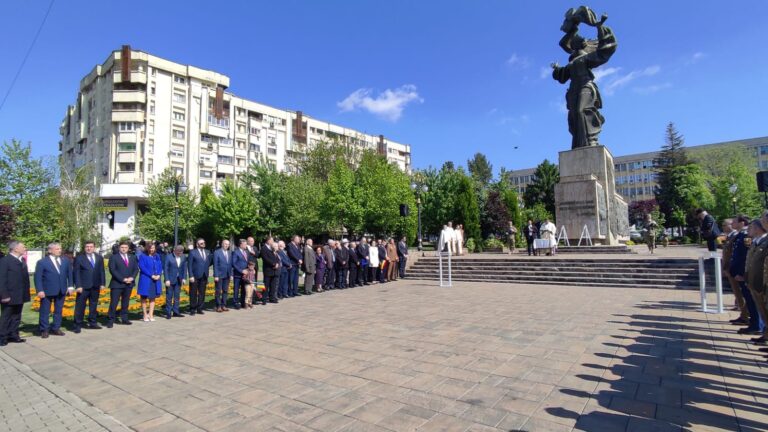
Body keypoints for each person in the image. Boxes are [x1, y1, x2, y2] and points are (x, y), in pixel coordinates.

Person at [731, 216, 762, 336]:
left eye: (734, 221)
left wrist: (742, 273)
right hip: (742, 272)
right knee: (749, 299)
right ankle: (754, 324)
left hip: (746, 274)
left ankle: (757, 325)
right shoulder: (742, 236)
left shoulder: (746, 237)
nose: (750, 230)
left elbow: (745, 257)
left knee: (752, 300)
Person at [35, 243, 74, 338]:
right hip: (47, 291)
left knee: (58, 310)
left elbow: (69, 274)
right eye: (57, 249)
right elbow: (38, 278)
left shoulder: (65, 260)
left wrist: (70, 286)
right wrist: (40, 290)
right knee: (45, 311)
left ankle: (56, 328)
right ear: (50, 251)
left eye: (60, 248)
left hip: (61, 290)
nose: (59, 250)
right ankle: (44, 329)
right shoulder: (42, 262)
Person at [0, 241, 30, 346]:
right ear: (15, 249)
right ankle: (2, 337)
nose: (25, 248)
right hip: (9, 295)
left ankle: (13, 335)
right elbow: (1, 279)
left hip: (20, 294)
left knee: (17, 316)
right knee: (6, 317)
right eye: (23, 246)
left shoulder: (21, 261)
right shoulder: (5, 261)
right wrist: (4, 295)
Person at [72, 240, 106, 333]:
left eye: (91, 246)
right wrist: (78, 285)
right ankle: (77, 325)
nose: (89, 248)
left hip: (95, 286)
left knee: (93, 305)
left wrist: (102, 283)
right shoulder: (79, 258)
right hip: (83, 287)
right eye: (87, 246)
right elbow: (76, 273)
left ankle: (93, 323)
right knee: (80, 306)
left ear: (94, 247)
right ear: (84, 248)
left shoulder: (99, 258)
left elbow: (101, 271)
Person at [722, 219, 749, 325]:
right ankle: (744, 314)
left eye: (725, 224)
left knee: (743, 294)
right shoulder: (733, 236)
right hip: (731, 267)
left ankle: (746, 315)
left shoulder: (742, 235)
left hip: (737, 269)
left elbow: (745, 253)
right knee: (738, 294)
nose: (723, 227)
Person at [107, 241, 138, 327]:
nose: (124, 249)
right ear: (119, 248)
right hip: (117, 284)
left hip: (129, 284)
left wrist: (132, 278)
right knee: (114, 302)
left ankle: (124, 318)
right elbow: (112, 270)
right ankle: (111, 320)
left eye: (125, 248)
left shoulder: (132, 257)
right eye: (122, 247)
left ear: (128, 249)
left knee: (125, 302)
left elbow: (136, 269)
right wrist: (123, 279)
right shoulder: (114, 257)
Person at [137, 242, 163, 322]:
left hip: (155, 279)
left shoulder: (157, 256)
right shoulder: (142, 256)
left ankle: (151, 314)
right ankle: (145, 314)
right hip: (146, 279)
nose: (152, 249)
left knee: (153, 297)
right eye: (150, 248)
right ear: (147, 248)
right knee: (144, 297)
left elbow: (160, 265)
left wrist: (158, 274)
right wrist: (151, 275)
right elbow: (142, 267)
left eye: (153, 248)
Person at [187, 238, 212, 315]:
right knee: (193, 293)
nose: (203, 244)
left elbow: (209, 262)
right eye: (201, 243)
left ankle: (200, 308)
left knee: (202, 293)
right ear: (197, 244)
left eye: (204, 243)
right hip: (195, 276)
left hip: (204, 275)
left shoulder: (207, 252)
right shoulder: (192, 252)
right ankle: (192, 309)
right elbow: (189, 265)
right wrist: (191, 275)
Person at [163, 245, 187, 319]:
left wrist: (184, 278)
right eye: (179, 252)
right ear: (175, 251)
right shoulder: (169, 257)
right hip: (170, 279)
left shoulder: (183, 257)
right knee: (169, 297)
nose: (180, 254)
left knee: (177, 296)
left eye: (181, 252)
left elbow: (184, 268)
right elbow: (166, 269)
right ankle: (168, 312)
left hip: (179, 279)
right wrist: (167, 279)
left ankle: (176, 312)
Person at [213, 239, 232, 312]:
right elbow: (215, 265)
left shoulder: (229, 253)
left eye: (228, 244)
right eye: (225, 244)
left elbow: (230, 265)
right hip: (219, 275)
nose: (226, 245)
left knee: (225, 290)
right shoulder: (217, 252)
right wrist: (216, 275)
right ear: (222, 244)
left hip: (227, 275)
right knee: (218, 291)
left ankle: (224, 305)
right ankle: (218, 306)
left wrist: (231, 274)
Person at [261, 237, 280, 304]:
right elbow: (266, 259)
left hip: (274, 270)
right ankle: (264, 299)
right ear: (268, 241)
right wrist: (273, 264)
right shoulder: (264, 248)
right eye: (272, 240)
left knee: (273, 285)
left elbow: (277, 257)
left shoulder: (272, 248)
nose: (272, 241)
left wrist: (277, 264)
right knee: (266, 285)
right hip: (268, 270)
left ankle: (272, 298)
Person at [232, 239, 250, 309]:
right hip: (238, 274)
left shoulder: (246, 252)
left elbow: (247, 262)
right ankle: (235, 303)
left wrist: (249, 269)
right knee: (236, 289)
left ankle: (243, 302)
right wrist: (241, 271)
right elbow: (234, 263)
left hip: (245, 275)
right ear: (241, 244)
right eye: (245, 244)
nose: (246, 245)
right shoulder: (236, 252)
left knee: (244, 289)